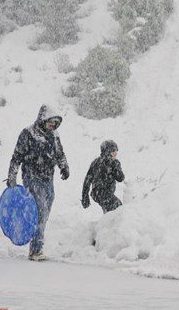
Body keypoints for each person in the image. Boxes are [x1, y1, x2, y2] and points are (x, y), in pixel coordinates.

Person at [7, 104, 69, 260]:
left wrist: (64, 167)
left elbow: (60, 153)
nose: (53, 125)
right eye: (50, 122)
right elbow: (16, 157)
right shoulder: (28, 134)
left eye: (55, 123)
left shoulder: (54, 135)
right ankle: (36, 250)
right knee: (40, 211)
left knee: (45, 212)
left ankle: (35, 243)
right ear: (42, 120)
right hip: (32, 177)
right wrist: (12, 175)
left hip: (48, 178)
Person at [82, 140, 125, 213]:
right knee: (119, 210)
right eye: (113, 151)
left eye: (116, 150)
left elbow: (87, 180)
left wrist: (85, 196)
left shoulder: (95, 162)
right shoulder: (113, 162)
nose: (116, 153)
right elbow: (120, 178)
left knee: (110, 212)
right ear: (108, 151)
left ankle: (107, 218)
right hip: (105, 195)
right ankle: (110, 219)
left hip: (96, 194)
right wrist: (116, 167)